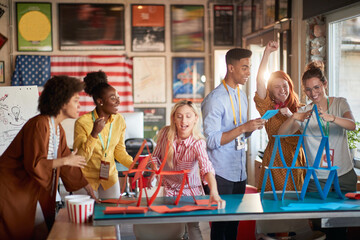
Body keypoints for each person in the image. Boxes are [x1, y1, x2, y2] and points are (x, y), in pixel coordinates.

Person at [0, 75, 96, 239]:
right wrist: (66, 160)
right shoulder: (40, 124)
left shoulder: (57, 128)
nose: (79, 105)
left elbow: (67, 165)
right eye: (75, 100)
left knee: (40, 230)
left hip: (27, 186)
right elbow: (36, 164)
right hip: (12, 186)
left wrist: (87, 187)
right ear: (62, 101)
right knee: (19, 231)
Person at [201, 48, 266, 239]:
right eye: (244, 68)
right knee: (220, 229)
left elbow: (238, 135)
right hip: (221, 174)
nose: (248, 72)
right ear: (231, 68)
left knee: (233, 227)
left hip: (239, 172)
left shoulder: (241, 96)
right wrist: (243, 128)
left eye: (249, 67)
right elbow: (212, 141)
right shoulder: (214, 99)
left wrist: (250, 129)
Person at [278, 61, 357, 193]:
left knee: (346, 213)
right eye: (308, 89)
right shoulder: (304, 112)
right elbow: (281, 134)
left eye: (316, 87)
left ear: (324, 84)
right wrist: (293, 116)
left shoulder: (340, 103)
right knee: (316, 213)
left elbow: (352, 125)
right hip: (317, 178)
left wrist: (332, 118)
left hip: (343, 174)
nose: (313, 93)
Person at [255, 41, 306, 191]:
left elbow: (308, 134)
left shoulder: (301, 109)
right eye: (276, 87)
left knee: (295, 204)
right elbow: (259, 81)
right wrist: (267, 53)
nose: (282, 90)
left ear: (290, 86)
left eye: (285, 85)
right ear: (270, 90)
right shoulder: (269, 108)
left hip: (296, 159)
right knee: (272, 202)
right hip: (275, 158)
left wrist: (292, 115)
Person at [73, 70, 133, 199]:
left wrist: (134, 165)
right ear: (100, 101)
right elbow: (80, 158)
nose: (118, 102)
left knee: (112, 215)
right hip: (86, 179)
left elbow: (119, 151)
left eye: (118, 97)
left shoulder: (119, 120)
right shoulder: (82, 122)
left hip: (109, 177)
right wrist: (94, 134)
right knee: (86, 217)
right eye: (113, 98)